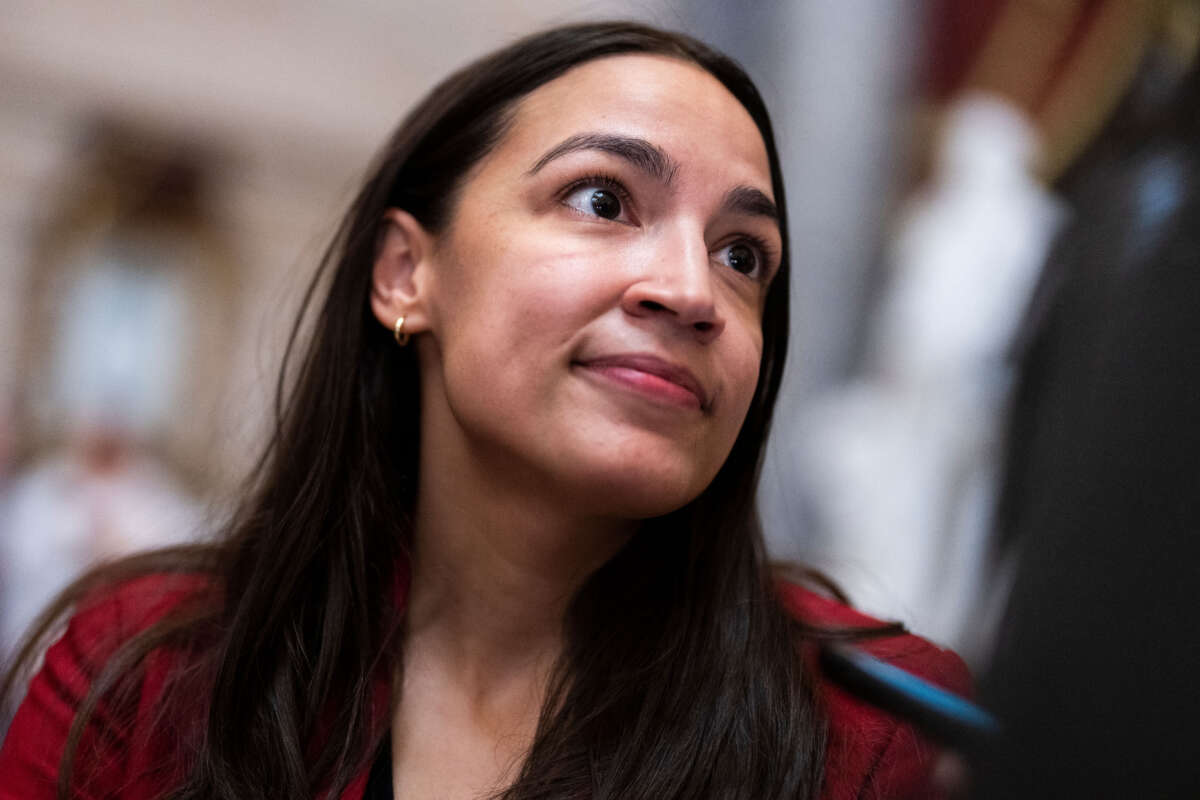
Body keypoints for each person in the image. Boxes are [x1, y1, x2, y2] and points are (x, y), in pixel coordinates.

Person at [0, 22, 967, 800]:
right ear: (405, 274)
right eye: (602, 199)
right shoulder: (141, 673)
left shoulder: (884, 743)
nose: (691, 290)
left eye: (743, 254)